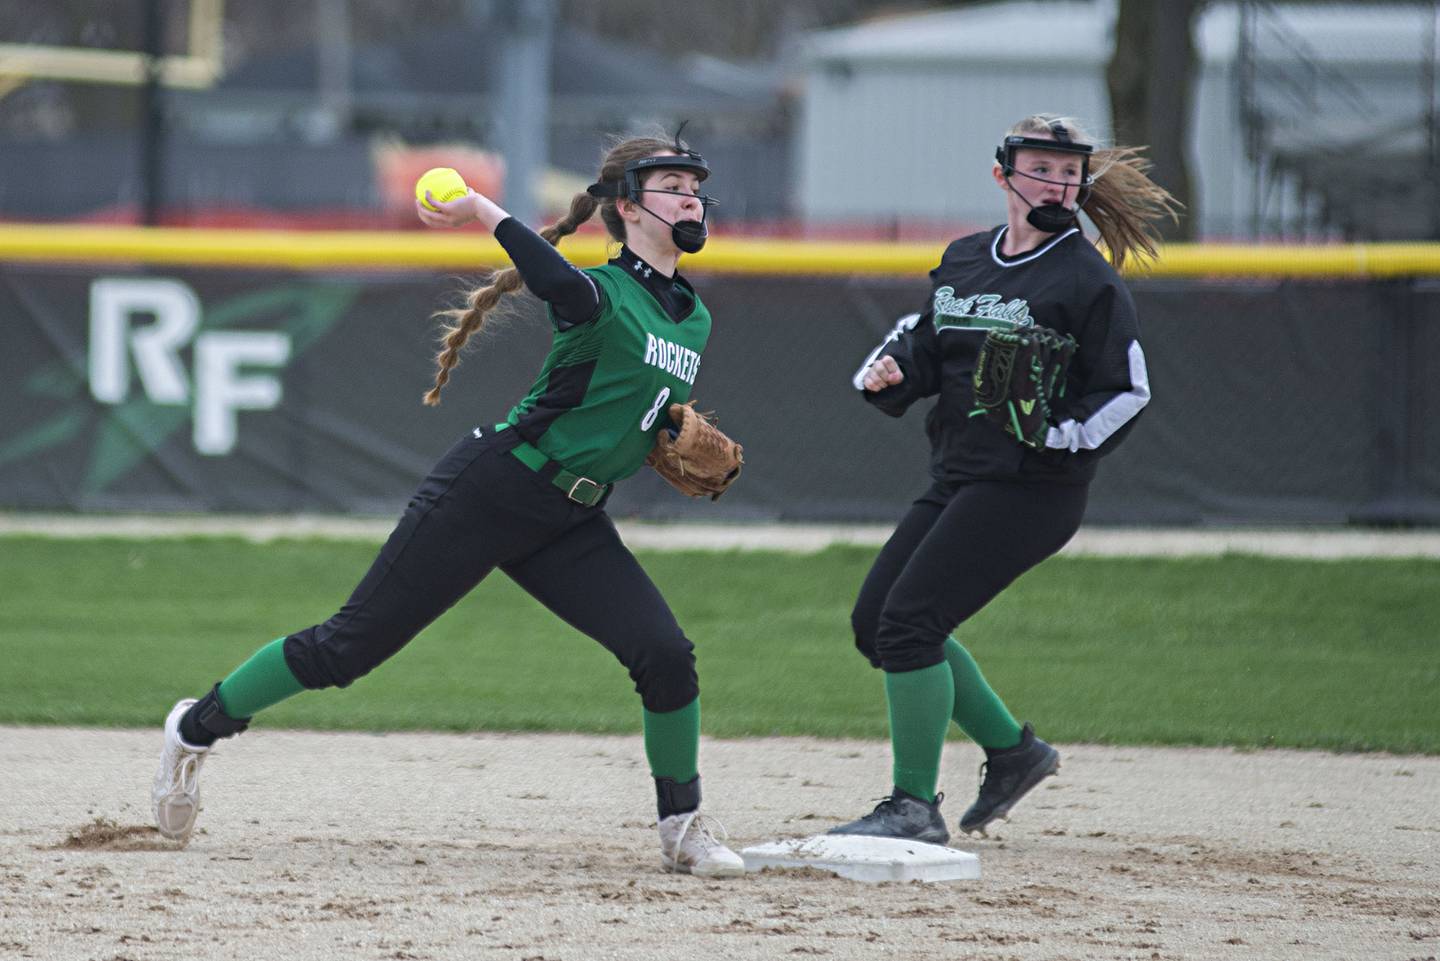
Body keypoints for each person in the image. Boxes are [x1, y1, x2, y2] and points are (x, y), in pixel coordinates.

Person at [150, 133, 748, 878]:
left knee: (665, 654)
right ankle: (195, 726)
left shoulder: (693, 315)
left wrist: (661, 426)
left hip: (571, 517)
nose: (691, 195)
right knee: (346, 648)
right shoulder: (599, 293)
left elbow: (633, 400)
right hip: (493, 488)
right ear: (626, 205)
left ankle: (682, 826)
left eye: (695, 184)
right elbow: (551, 275)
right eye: (671, 183)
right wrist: (476, 207)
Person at [830, 114, 1181, 844]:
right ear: (1003, 175)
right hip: (960, 471)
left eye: (1069, 170)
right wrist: (892, 372)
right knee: (878, 624)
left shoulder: (1085, 276)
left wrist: (1059, 434)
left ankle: (912, 805)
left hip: (1034, 486)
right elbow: (928, 342)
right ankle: (1014, 752)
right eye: (1042, 167)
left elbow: (1128, 391)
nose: (1058, 181)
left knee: (911, 623)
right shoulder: (964, 258)